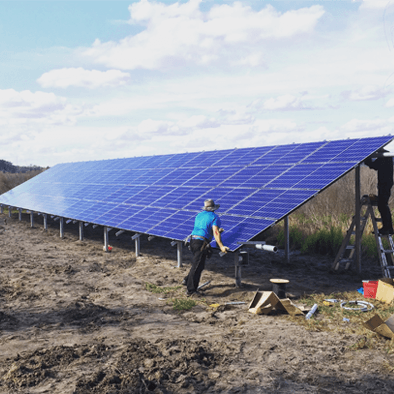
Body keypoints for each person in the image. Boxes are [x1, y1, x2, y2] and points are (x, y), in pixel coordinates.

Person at [184, 199, 229, 296]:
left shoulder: (199, 215)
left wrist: (215, 231)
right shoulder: (214, 217)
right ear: (214, 208)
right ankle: (191, 291)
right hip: (201, 243)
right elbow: (216, 233)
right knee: (197, 266)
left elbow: (203, 228)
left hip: (192, 241)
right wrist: (221, 246)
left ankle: (186, 280)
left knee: (198, 264)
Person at [365, 152, 394, 235]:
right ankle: (388, 228)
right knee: (383, 205)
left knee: (382, 205)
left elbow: (374, 166)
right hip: (386, 183)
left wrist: (367, 159)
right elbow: (375, 165)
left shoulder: (384, 158)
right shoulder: (386, 157)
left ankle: (387, 228)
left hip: (384, 184)